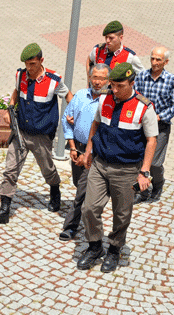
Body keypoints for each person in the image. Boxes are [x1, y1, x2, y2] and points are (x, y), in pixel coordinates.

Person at [77, 63, 158, 273]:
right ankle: (95, 247)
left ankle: (114, 249)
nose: (114, 90)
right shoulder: (104, 98)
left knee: (122, 215)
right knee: (89, 208)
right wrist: (88, 150)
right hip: (100, 164)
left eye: (119, 86)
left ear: (132, 83)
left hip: (127, 169)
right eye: (112, 85)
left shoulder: (144, 107)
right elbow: (96, 124)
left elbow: (151, 141)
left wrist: (145, 172)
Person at [0, 43, 73, 226]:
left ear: (41, 60)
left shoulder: (54, 80)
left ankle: (55, 189)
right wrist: (9, 108)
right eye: (27, 64)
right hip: (21, 132)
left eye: (33, 64)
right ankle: (4, 210)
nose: (29, 68)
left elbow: (69, 96)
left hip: (42, 135)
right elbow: (16, 92)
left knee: (47, 169)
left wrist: (73, 114)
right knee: (10, 170)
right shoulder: (21, 75)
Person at [59, 63, 111, 241]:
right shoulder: (81, 95)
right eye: (94, 77)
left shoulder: (109, 101)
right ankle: (89, 209)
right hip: (77, 148)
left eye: (102, 79)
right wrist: (72, 146)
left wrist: (87, 153)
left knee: (81, 189)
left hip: (94, 153)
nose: (97, 82)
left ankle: (70, 227)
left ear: (108, 80)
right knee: (78, 183)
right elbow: (67, 119)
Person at [133, 46, 174, 203]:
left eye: (158, 59)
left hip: (160, 127)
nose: (154, 62)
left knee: (154, 162)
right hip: (141, 125)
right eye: (152, 58)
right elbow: (135, 98)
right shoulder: (141, 77)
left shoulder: (173, 81)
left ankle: (158, 183)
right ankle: (143, 190)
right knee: (140, 159)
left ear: (166, 62)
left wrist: (158, 117)